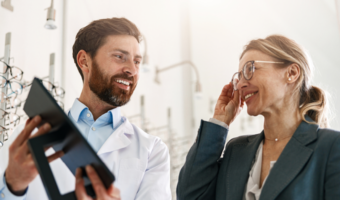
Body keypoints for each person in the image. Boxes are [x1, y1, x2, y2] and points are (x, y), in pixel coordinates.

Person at [0, 18, 171, 200]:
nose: (132, 70)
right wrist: (12, 186)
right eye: (120, 57)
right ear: (84, 61)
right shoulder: (28, 138)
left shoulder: (152, 151)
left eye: (137, 61)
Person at [176, 35, 340, 200]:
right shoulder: (236, 150)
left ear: (291, 73)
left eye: (250, 69)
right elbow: (190, 196)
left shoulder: (331, 147)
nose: (240, 84)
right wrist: (220, 120)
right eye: (239, 77)